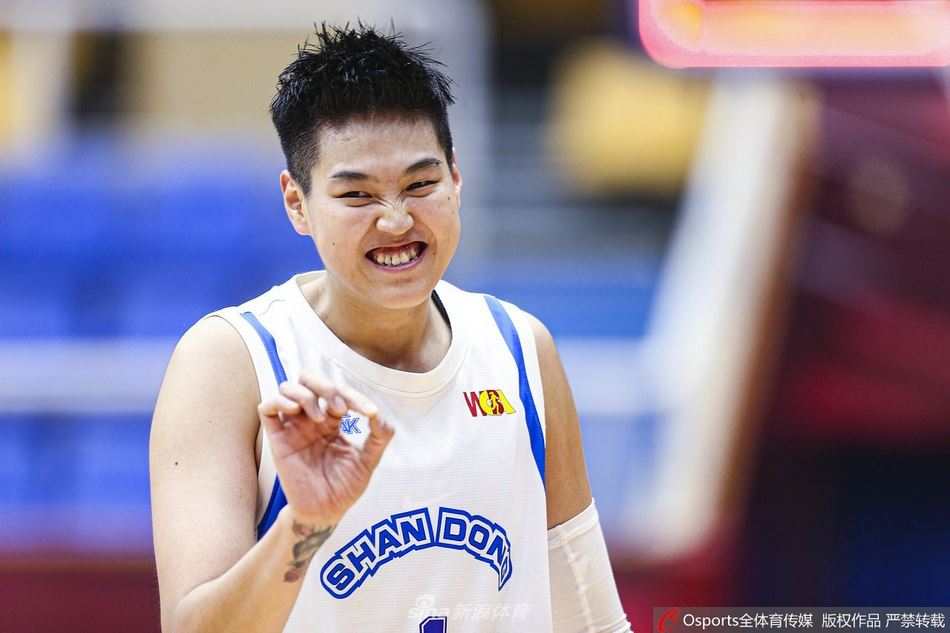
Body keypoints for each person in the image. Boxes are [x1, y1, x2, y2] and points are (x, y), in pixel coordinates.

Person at [150, 23, 631, 633]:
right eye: (358, 196)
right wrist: (305, 525)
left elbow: (593, 621)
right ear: (297, 203)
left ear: (456, 178)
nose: (397, 221)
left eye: (420, 185)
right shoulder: (231, 362)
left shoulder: (520, 349)